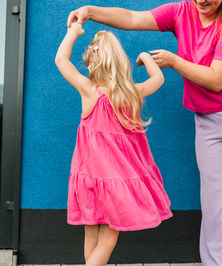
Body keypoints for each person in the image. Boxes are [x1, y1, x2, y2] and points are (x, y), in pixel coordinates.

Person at [66, 1, 222, 266]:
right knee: (216, 203)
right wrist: (90, 12)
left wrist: (173, 61)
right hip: (207, 118)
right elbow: (132, 18)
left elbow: (217, 79)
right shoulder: (181, 11)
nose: (202, 0)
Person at [55, 23, 173, 266]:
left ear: (92, 64)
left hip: (88, 178)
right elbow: (158, 78)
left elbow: (61, 60)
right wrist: (144, 58)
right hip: (116, 182)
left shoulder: (89, 91)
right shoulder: (131, 93)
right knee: (107, 241)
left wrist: (73, 33)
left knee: (91, 235)